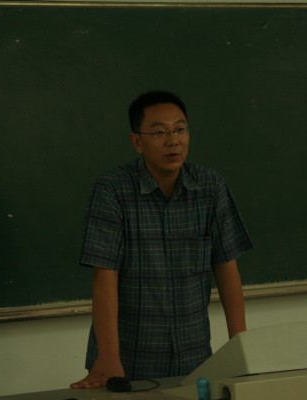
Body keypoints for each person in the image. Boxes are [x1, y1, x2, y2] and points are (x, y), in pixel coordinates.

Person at [70, 91, 252, 389]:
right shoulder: (112, 191)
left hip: (194, 360)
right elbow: (104, 275)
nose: (173, 141)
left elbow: (226, 268)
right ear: (137, 142)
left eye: (180, 129)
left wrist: (240, 349)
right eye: (159, 133)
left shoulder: (210, 187)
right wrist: (109, 357)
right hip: (128, 362)